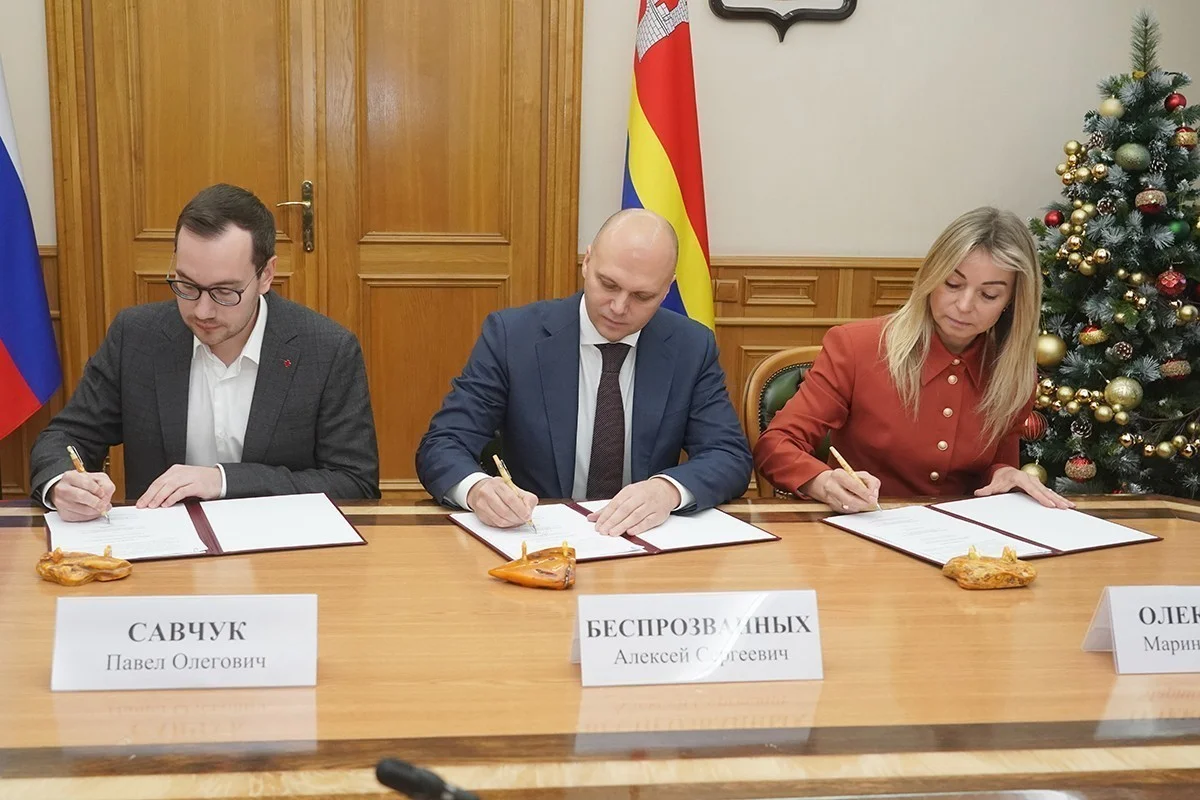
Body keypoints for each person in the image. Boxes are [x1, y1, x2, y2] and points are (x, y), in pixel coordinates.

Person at [30, 183, 380, 520]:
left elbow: (355, 482)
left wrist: (224, 481)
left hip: (281, 549)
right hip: (164, 545)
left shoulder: (327, 350)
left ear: (266, 275)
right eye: (187, 285)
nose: (202, 311)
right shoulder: (136, 336)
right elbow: (67, 437)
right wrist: (62, 484)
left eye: (224, 292)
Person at [417, 208, 752, 537]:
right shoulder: (513, 337)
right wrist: (477, 489)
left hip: (642, 541)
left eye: (642, 296)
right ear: (587, 262)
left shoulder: (690, 346)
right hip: (537, 537)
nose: (619, 307)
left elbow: (728, 455)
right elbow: (443, 443)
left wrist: (667, 490)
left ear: (667, 289)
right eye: (608, 284)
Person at [754, 206, 1071, 512]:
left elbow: (991, 472)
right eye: (952, 284)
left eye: (988, 295)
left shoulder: (1012, 371)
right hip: (862, 528)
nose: (964, 305)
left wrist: (1004, 474)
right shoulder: (856, 346)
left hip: (959, 536)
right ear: (931, 277)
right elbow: (776, 445)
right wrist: (823, 483)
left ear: (1011, 302)